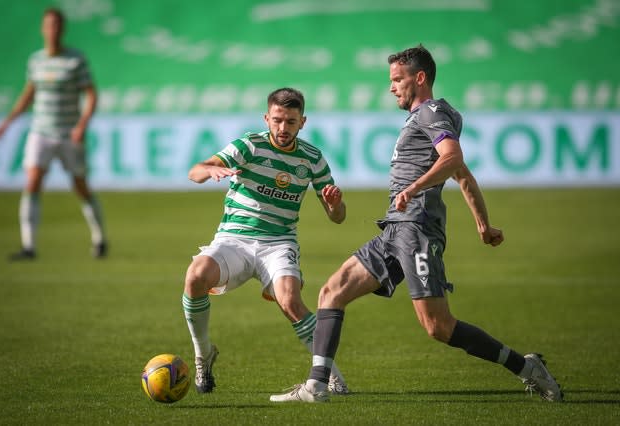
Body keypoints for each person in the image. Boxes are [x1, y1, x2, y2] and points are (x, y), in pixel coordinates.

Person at [270, 45, 563, 403]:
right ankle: (316, 386)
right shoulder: (425, 118)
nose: (392, 87)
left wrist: (414, 187)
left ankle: (527, 367)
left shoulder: (432, 112)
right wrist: (483, 225)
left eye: (397, 79)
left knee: (438, 327)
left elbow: (453, 157)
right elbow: (463, 175)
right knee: (332, 291)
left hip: (417, 229)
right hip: (396, 228)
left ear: (419, 78)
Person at [182, 87, 349, 395]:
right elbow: (194, 171)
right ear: (266, 118)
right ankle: (202, 355)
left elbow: (337, 217)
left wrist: (334, 203)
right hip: (234, 239)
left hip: (279, 243)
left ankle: (329, 376)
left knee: (290, 300)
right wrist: (209, 170)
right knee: (195, 277)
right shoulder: (249, 146)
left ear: (303, 122)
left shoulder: (312, 158)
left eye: (290, 121)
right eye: (277, 120)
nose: (283, 128)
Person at [0, 8, 107, 260]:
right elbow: (28, 94)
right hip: (41, 131)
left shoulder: (75, 59)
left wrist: (82, 125)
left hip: (69, 133)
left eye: (56, 25)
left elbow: (91, 94)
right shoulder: (36, 60)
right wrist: (7, 123)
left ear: (62, 29)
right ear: (43, 29)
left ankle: (99, 239)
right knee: (32, 181)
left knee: (80, 185)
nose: (52, 29)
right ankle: (29, 246)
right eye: (48, 25)